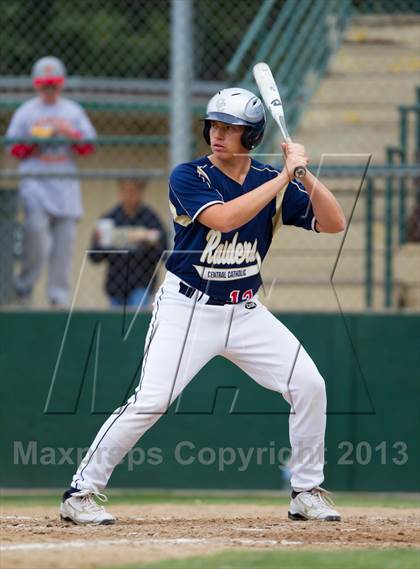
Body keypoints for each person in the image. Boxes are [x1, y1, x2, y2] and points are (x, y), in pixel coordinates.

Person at [60, 88, 346, 525]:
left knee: (310, 384)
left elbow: (334, 223)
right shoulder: (189, 175)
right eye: (214, 125)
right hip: (186, 309)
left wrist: (303, 175)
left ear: (251, 136)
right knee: (151, 401)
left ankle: (305, 491)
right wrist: (282, 179)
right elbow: (225, 218)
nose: (218, 134)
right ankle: (81, 492)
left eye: (231, 129)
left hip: (245, 310)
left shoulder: (272, 178)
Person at [6, 56, 96, 307]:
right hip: (35, 186)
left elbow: (88, 147)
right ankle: (24, 288)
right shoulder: (27, 111)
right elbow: (13, 149)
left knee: (63, 248)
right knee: (36, 237)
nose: (48, 89)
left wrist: (70, 133)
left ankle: (58, 298)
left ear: (61, 84)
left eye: (53, 84)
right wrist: (35, 138)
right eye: (44, 84)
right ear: (36, 85)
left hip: (65, 188)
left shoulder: (73, 111)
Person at [89, 179, 167, 308]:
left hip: (142, 283)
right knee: (116, 323)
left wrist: (148, 241)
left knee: (136, 319)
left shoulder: (150, 219)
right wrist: (100, 242)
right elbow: (94, 257)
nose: (128, 196)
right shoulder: (110, 218)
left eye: (133, 192)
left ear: (141, 193)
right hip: (116, 285)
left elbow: (164, 253)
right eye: (124, 191)